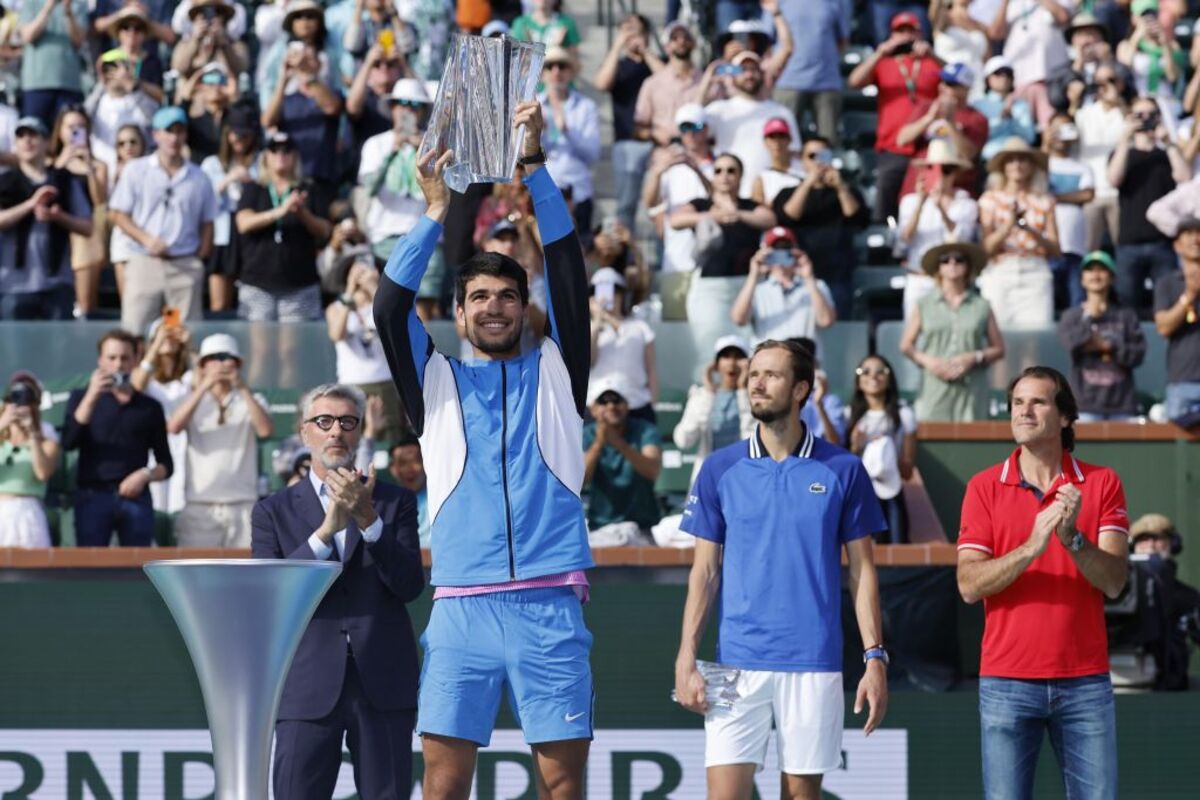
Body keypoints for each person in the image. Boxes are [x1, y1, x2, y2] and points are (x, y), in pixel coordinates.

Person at [373, 103, 594, 798]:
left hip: (550, 604)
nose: (495, 306)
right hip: (461, 606)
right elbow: (387, 307)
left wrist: (534, 167)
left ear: (524, 309)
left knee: (562, 787)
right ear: (459, 314)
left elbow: (565, 269)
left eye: (507, 295)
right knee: (442, 785)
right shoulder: (432, 383)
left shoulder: (560, 372)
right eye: (479, 297)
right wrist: (435, 211)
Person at [674, 339, 888, 800]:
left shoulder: (844, 469)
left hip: (814, 662)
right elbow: (704, 573)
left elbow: (863, 572)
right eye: (754, 374)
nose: (757, 382)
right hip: (734, 662)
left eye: (771, 375)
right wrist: (686, 654)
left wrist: (875, 657)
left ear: (800, 389)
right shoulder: (718, 468)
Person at [957, 365, 1130, 800]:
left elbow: (1114, 582)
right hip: (1006, 682)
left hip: (1084, 682)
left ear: (1066, 417)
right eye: (1017, 402)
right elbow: (969, 584)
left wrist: (1072, 538)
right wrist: (1033, 545)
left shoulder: (1103, 482)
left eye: (1037, 402)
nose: (1024, 411)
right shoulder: (982, 487)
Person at [251, 382, 424, 800]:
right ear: (304, 431)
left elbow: (409, 585)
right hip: (305, 684)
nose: (336, 432)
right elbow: (271, 596)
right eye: (324, 421)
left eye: (347, 422)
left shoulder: (393, 501)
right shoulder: (272, 510)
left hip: (382, 680)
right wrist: (328, 529)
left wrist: (368, 520)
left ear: (361, 430)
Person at [108, 106, 218, 335]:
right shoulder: (136, 170)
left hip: (184, 264)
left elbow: (208, 223)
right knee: (136, 330)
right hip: (145, 261)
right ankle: (137, 372)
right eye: (168, 131)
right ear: (156, 135)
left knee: (180, 333)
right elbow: (118, 214)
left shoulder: (199, 177)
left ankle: (181, 372)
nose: (174, 138)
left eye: (179, 131)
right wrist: (147, 239)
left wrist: (199, 258)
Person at [62, 329, 173, 547]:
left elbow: (166, 464)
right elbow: (69, 442)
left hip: (136, 499)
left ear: (135, 360)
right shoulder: (81, 398)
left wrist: (144, 475)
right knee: (90, 568)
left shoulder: (149, 407)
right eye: (111, 358)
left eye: (124, 358)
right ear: (100, 361)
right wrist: (92, 395)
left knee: (137, 569)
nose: (118, 364)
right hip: (92, 496)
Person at [168, 334, 273, 547]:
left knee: (245, 575)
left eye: (226, 357)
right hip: (200, 504)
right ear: (203, 365)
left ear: (238, 364)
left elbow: (265, 431)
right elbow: (174, 427)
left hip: (243, 503)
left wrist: (242, 388)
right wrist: (204, 385)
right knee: (197, 576)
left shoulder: (253, 399)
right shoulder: (191, 400)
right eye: (213, 358)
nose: (221, 363)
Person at [670, 152, 775, 358]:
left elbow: (769, 219)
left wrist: (737, 214)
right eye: (718, 171)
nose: (724, 175)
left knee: (754, 347)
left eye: (731, 170)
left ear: (740, 176)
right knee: (709, 346)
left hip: (748, 285)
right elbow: (676, 220)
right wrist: (713, 215)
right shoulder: (701, 204)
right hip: (710, 288)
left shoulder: (749, 205)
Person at [847, 11, 942, 223]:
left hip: (927, 145)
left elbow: (957, 81)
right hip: (892, 144)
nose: (906, 37)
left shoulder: (930, 63)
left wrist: (932, 55)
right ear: (892, 35)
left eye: (911, 31)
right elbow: (854, 82)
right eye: (901, 32)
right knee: (886, 202)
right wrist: (880, 53)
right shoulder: (885, 63)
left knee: (928, 202)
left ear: (920, 33)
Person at [0, 115, 94, 320]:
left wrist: (58, 217)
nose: (27, 141)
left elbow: (87, 227)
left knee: (59, 351)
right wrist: (30, 205)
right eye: (21, 136)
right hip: (13, 286)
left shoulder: (64, 180)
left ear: (46, 142)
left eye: (33, 135)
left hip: (57, 284)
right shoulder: (5, 182)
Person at [358, 78, 437, 319]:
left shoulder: (433, 144)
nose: (407, 110)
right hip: (384, 238)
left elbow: (445, 189)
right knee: (387, 309)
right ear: (392, 108)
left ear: (422, 110)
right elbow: (368, 189)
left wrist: (420, 150)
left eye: (414, 105)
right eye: (401, 104)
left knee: (423, 311)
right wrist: (392, 151)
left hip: (426, 236)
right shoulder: (376, 144)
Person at [901, 242, 1005, 422]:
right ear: (938, 268)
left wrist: (974, 357)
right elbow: (906, 345)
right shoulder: (924, 304)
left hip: (972, 387)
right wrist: (929, 361)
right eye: (945, 260)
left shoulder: (982, 305)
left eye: (959, 259)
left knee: (973, 438)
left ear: (968, 267)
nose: (952, 263)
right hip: (934, 386)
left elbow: (999, 348)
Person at [234, 131, 332, 321]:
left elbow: (325, 231)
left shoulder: (308, 188)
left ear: (295, 156)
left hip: (299, 285)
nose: (281, 155)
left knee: (294, 348)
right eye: (274, 150)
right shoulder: (254, 188)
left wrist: (302, 213)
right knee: (258, 348)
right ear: (266, 157)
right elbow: (244, 223)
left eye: (287, 151)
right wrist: (281, 211)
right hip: (258, 284)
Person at [770, 135, 868, 319]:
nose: (817, 161)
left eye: (822, 155)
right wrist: (809, 182)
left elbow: (857, 218)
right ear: (802, 160)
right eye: (811, 156)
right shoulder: (788, 193)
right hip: (797, 275)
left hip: (837, 275)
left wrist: (840, 186)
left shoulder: (848, 192)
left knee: (837, 329)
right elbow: (788, 216)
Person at [1108, 95, 1189, 312]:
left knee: (1168, 302)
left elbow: (1184, 177)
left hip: (1162, 241)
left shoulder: (1166, 154)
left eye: (1151, 115)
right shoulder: (1124, 153)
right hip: (1129, 241)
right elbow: (1113, 179)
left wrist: (1168, 141)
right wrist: (1126, 137)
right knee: (1127, 304)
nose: (1145, 120)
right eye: (1139, 115)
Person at [978, 137, 1061, 328]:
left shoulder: (1045, 201)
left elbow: (1056, 249)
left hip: (1035, 272)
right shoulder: (990, 199)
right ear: (1003, 167)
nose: (1017, 164)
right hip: (1000, 271)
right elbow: (986, 248)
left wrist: (1028, 230)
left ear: (1032, 166)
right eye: (1011, 160)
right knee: (998, 336)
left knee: (1036, 339)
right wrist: (1009, 226)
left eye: (1022, 159)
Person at [1057, 251, 1146, 421]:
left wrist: (1108, 345)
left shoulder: (1126, 316)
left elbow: (1137, 355)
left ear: (1112, 278)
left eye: (1102, 270)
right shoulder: (1072, 316)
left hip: (1123, 405)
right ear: (1082, 279)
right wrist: (1088, 318)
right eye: (1090, 270)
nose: (1096, 275)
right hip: (1084, 405)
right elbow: (1070, 343)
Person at [327, 250, 406, 443]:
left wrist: (376, 289)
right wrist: (349, 292)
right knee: (351, 440)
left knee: (390, 440)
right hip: (352, 383)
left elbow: (396, 328)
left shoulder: (385, 305)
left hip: (385, 382)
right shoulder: (336, 307)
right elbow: (337, 334)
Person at [896, 138, 979, 319]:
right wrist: (920, 202)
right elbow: (904, 240)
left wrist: (941, 208)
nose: (940, 175)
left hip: (953, 282)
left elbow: (962, 240)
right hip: (919, 278)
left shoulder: (968, 204)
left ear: (955, 174)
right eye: (933, 168)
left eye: (947, 170)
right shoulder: (909, 202)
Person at [592, 13, 659, 231]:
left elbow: (667, 79)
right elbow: (601, 83)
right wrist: (618, 44)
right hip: (627, 141)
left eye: (636, 31)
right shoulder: (618, 64)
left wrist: (646, 52)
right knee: (626, 206)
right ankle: (625, 257)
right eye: (626, 32)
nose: (632, 37)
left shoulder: (658, 62)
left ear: (647, 34)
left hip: (659, 142)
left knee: (661, 203)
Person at [702, 51, 800, 196]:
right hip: (730, 193)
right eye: (742, 70)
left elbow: (794, 154)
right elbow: (690, 119)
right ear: (732, 75)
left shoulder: (782, 112)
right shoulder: (719, 109)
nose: (749, 75)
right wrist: (708, 79)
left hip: (772, 195)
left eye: (753, 69)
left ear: (761, 73)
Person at [846, 354, 915, 544]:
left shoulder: (904, 415)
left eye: (881, 371)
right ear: (858, 381)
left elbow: (908, 472)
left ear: (890, 378)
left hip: (892, 492)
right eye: (865, 372)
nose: (873, 377)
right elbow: (846, 469)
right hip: (861, 493)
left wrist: (889, 452)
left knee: (897, 546)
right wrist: (855, 447)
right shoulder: (849, 415)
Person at [1127, 512, 1200, 690]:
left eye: (1158, 538)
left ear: (1172, 544)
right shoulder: (1115, 594)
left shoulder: (1187, 597)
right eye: (1143, 539)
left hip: (1170, 685)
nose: (1151, 545)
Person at [731, 227, 836, 350]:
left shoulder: (816, 285)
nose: (780, 254)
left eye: (786, 248)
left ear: (795, 251)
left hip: (804, 363)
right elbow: (739, 319)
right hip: (768, 364)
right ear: (765, 252)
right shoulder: (756, 289)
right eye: (775, 249)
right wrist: (753, 275)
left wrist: (808, 277)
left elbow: (826, 321)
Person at [582, 379, 663, 539]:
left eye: (617, 400)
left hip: (643, 526)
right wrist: (599, 443)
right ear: (594, 409)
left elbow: (652, 471)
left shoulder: (645, 430)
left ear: (627, 406)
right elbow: (581, 480)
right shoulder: (586, 434)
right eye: (603, 402)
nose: (611, 406)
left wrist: (619, 444)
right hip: (600, 526)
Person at [50, 105, 110, 320]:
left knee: (86, 303)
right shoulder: (50, 162)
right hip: (55, 231)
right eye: (70, 127)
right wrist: (63, 161)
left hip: (84, 235)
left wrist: (88, 167)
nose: (75, 131)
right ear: (60, 130)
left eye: (80, 127)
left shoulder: (98, 166)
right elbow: (48, 189)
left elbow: (99, 201)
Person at [261, 35, 343, 190]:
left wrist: (308, 75)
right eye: (302, 60)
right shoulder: (287, 99)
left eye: (310, 59)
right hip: (291, 181)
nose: (304, 64)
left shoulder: (332, 93)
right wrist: (283, 80)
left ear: (320, 64)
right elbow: (267, 121)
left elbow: (332, 107)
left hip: (322, 179)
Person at [895, 62, 988, 198]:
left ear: (966, 89)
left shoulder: (977, 118)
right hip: (918, 187)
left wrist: (950, 123)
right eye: (942, 82)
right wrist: (928, 118)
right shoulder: (925, 108)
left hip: (954, 192)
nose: (942, 87)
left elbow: (969, 154)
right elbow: (902, 140)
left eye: (950, 84)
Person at [200, 102, 260, 313]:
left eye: (245, 135)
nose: (239, 140)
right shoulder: (211, 164)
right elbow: (203, 200)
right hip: (223, 233)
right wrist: (227, 180)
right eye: (235, 134)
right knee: (219, 303)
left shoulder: (261, 162)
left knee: (250, 301)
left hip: (251, 232)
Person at [673, 335, 754, 487]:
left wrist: (744, 391)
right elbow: (683, 440)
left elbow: (753, 439)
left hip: (744, 482)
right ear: (716, 364)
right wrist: (709, 393)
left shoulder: (757, 398)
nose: (732, 363)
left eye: (738, 357)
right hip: (709, 481)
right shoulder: (700, 395)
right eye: (725, 357)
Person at [538, 47, 601, 242]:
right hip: (544, 192)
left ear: (571, 73)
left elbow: (592, 154)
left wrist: (567, 130)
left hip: (578, 191)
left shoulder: (585, 106)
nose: (556, 72)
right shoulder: (534, 105)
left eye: (562, 66)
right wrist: (539, 133)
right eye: (550, 66)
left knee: (579, 251)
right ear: (542, 74)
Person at [132, 319, 193, 515]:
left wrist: (190, 347)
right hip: (153, 445)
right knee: (156, 504)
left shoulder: (190, 376)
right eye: (161, 332)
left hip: (185, 445)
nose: (168, 337)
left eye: (173, 333)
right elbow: (136, 387)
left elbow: (204, 378)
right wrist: (156, 343)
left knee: (181, 505)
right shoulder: (146, 376)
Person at [772, 0, 849, 145]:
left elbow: (843, 40)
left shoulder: (835, 2)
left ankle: (825, 168)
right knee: (781, 140)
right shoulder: (779, 2)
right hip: (788, 80)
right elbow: (768, 39)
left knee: (828, 144)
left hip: (827, 80)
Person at [988, 0, 1074, 129]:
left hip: (1050, 75)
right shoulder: (1011, 4)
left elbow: (1063, 17)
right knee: (1022, 128)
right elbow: (995, 33)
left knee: (1050, 127)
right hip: (1019, 79)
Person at [588, 267, 657, 422]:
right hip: (598, 406)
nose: (607, 296)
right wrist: (598, 320)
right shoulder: (587, 328)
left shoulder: (640, 326)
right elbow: (589, 362)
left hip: (636, 404)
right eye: (597, 291)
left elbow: (651, 368)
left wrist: (653, 403)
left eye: (613, 290)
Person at [0, 372, 60, 548]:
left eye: (27, 401)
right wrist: (3, 424)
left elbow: (42, 473)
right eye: (14, 399)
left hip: (28, 514)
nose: (19, 406)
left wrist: (33, 434)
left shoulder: (46, 442)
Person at [632, 20, 701, 172]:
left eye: (686, 37)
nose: (681, 41)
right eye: (675, 38)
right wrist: (655, 134)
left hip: (700, 158)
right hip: (663, 157)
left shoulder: (706, 82)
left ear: (694, 44)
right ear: (667, 46)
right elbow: (638, 127)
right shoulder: (652, 83)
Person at [1076, 61, 1129, 251]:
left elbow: (1134, 131)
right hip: (1092, 192)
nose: (1105, 86)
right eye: (1099, 82)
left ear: (1121, 83)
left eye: (1111, 81)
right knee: (1089, 251)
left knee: (1123, 250)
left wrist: (1119, 102)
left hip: (1120, 193)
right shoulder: (1084, 113)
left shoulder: (1128, 112)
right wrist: (1075, 99)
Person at [1045, 113, 1095, 311]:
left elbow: (1087, 194)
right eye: (1056, 129)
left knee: (1076, 303)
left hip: (1075, 247)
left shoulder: (1082, 166)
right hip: (1047, 247)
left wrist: (1055, 198)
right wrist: (1045, 143)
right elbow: (1037, 185)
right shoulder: (1042, 163)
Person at [1152, 218, 1200, 420]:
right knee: (1177, 422)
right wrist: (1189, 295)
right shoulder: (1167, 283)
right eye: (1188, 234)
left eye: (1198, 234)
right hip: (1183, 381)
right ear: (1177, 245)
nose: (1196, 239)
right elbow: (1163, 327)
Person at [17, 0, 87, 125]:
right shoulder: (31, 3)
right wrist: (48, 7)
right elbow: (28, 36)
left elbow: (79, 41)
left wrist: (68, 12)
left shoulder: (79, 3)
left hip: (69, 83)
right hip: (36, 84)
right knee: (32, 129)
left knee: (74, 132)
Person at [1116, 0, 1185, 118]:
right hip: (1138, 103)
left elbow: (1172, 76)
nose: (1149, 19)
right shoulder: (1125, 45)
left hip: (1166, 103)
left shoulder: (1172, 46)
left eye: (1153, 14)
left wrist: (1164, 44)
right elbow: (1124, 66)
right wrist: (1137, 36)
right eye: (1143, 16)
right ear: (1134, 18)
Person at [974, 57, 1036, 162]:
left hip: (1017, 159)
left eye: (1008, 73)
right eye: (998, 73)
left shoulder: (1021, 105)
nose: (1004, 77)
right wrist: (1001, 118)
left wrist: (1011, 119)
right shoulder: (979, 104)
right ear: (988, 79)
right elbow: (979, 137)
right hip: (989, 158)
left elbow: (1029, 138)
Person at [387, 430, 428, 546]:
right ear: (392, 469)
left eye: (415, 461)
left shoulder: (440, 498)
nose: (410, 469)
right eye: (402, 463)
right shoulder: (385, 504)